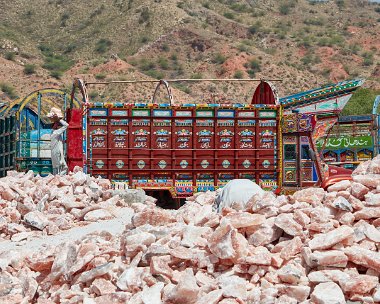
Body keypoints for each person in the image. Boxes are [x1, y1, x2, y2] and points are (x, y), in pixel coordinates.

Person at [47, 107, 69, 175]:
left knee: (56, 167)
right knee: (62, 166)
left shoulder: (52, 133)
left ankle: (56, 178)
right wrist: (59, 120)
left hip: (54, 152)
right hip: (57, 152)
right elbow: (66, 125)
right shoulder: (56, 133)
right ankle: (60, 178)